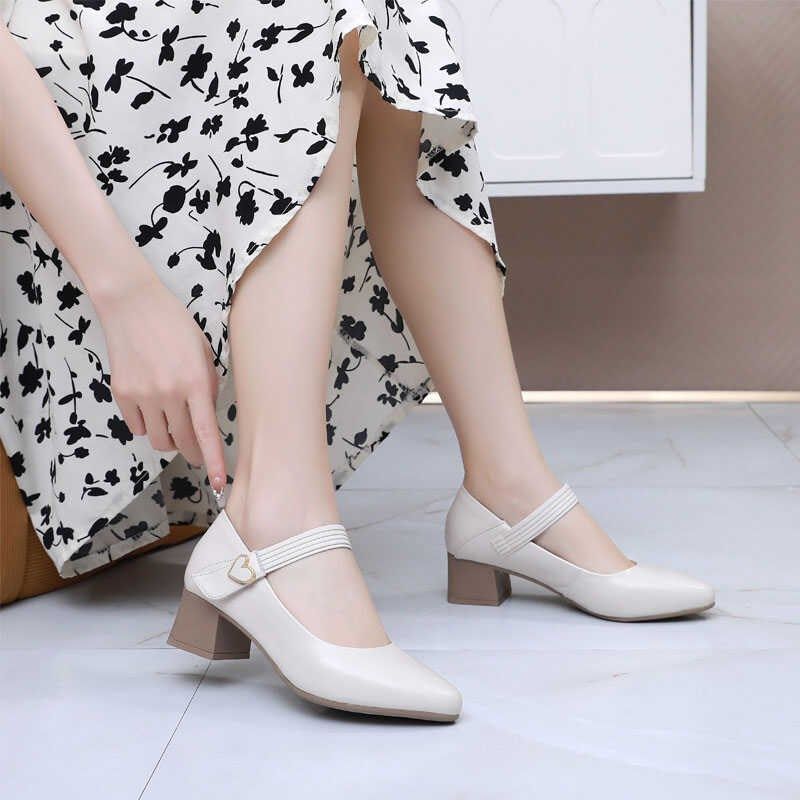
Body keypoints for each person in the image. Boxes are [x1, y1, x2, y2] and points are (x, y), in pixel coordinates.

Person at [0, 2, 714, 722]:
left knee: (386, 10)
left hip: (164, 79)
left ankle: (508, 483)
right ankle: (276, 516)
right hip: (54, 160)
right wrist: (127, 297)